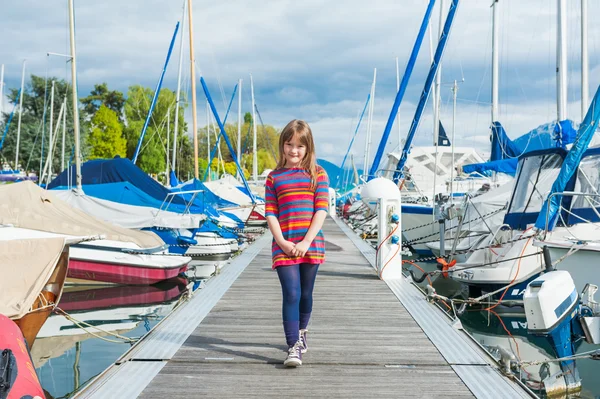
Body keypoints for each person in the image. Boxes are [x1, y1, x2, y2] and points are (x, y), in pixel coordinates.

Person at [264, 119, 329, 368]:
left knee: (306, 294)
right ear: (282, 145)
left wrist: (306, 241)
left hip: (311, 244)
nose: (294, 150)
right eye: (289, 144)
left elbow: (321, 210)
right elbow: (271, 212)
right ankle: (293, 347)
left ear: (308, 148)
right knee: (291, 293)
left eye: (299, 146)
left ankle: (302, 331)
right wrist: (281, 241)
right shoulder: (274, 178)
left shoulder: (318, 174)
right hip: (284, 246)